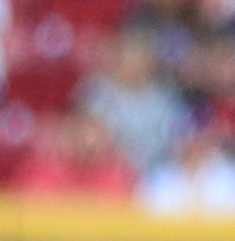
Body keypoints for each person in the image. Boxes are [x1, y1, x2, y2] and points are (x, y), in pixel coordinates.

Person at [77, 27, 191, 184]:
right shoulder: (98, 91)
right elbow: (88, 138)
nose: (134, 63)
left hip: (158, 173)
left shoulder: (166, 97)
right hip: (109, 172)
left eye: (140, 57)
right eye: (128, 56)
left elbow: (178, 139)